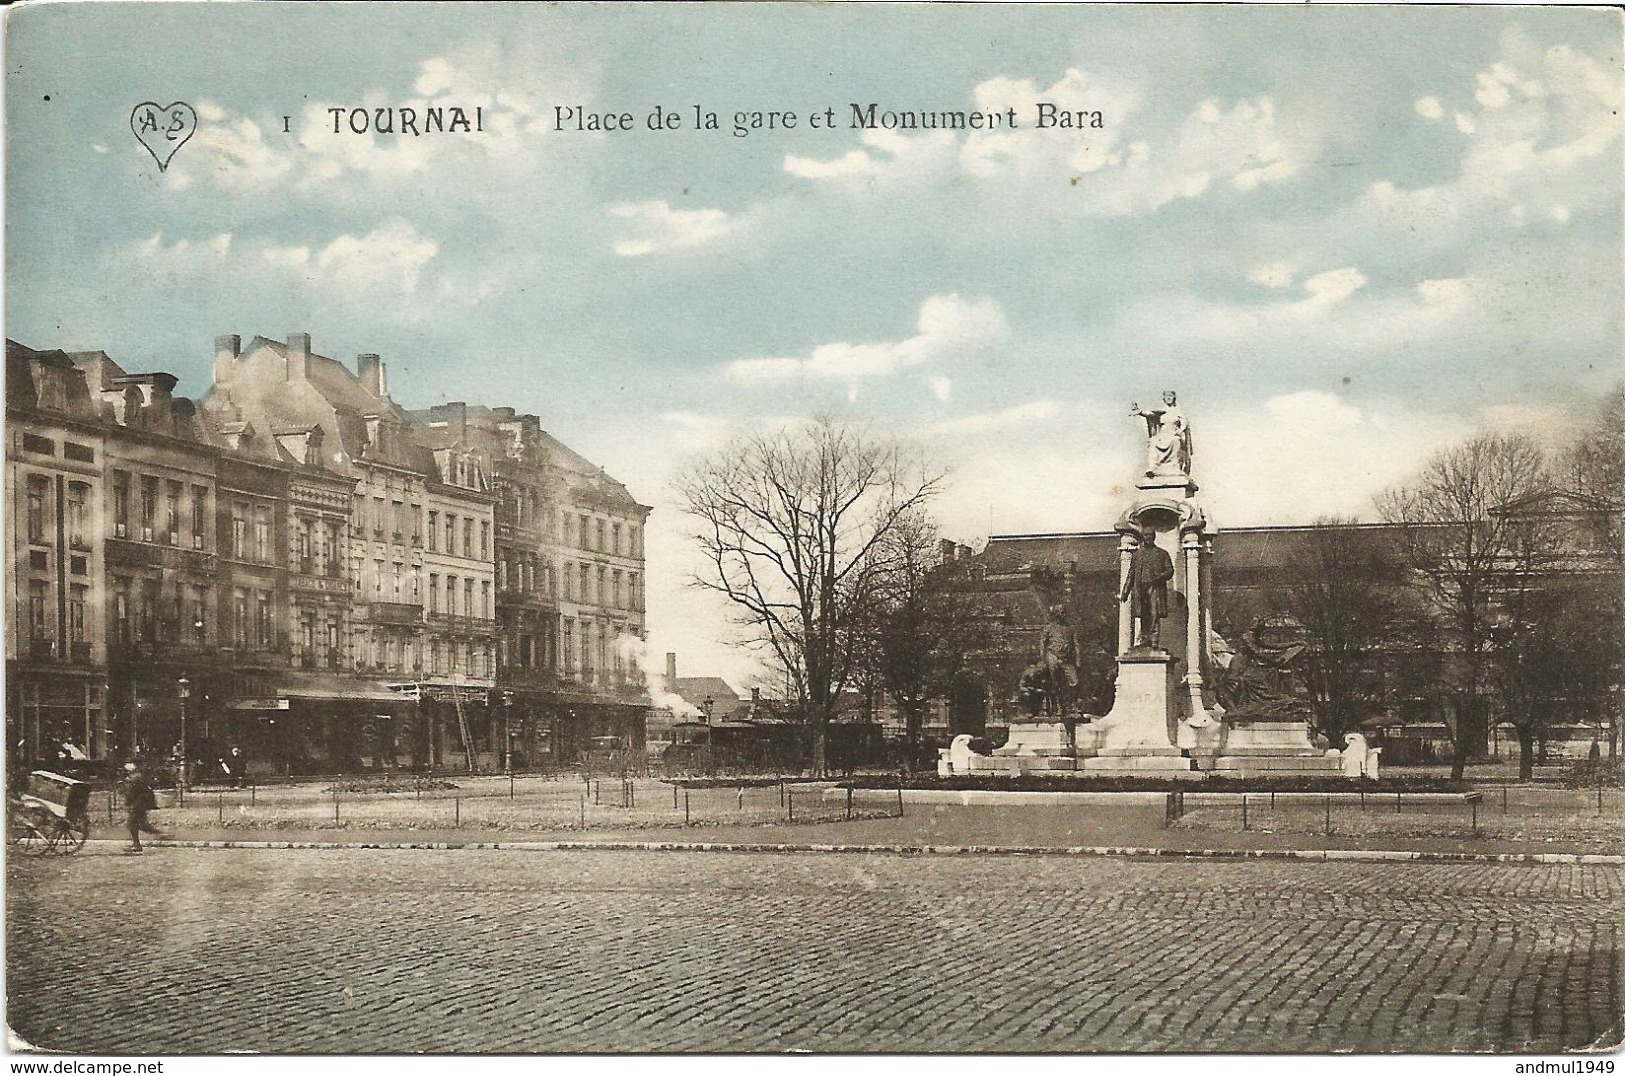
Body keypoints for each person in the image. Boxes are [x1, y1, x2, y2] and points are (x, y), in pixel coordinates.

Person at [1121, 527, 1175, 648]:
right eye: (1146, 535)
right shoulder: (1137, 555)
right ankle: (1145, 639)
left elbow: (1170, 570)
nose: (1148, 537)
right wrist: (1126, 590)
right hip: (1140, 588)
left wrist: (1160, 576)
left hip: (1155, 586)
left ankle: (1154, 639)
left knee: (1154, 613)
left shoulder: (1162, 553)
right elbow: (1131, 574)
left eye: (1150, 534)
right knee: (1143, 615)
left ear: (1154, 536)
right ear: (1142, 537)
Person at [1130, 391, 1193, 477]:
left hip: (1174, 434)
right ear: (1164, 399)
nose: (1168, 398)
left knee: (1175, 441)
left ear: (1174, 398)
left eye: (1170, 396)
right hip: (1162, 435)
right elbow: (1150, 415)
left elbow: (1184, 423)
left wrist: (1180, 431)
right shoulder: (1161, 412)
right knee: (1153, 441)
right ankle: (1152, 468)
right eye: (1167, 396)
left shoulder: (1177, 411)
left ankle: (1175, 468)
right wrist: (1140, 411)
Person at [123, 762, 161, 854]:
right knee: (141, 824)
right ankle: (161, 835)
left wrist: (128, 804)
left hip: (140, 803)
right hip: (142, 803)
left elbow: (131, 793)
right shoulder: (138, 777)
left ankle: (137, 845)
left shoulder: (134, 779)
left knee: (131, 824)